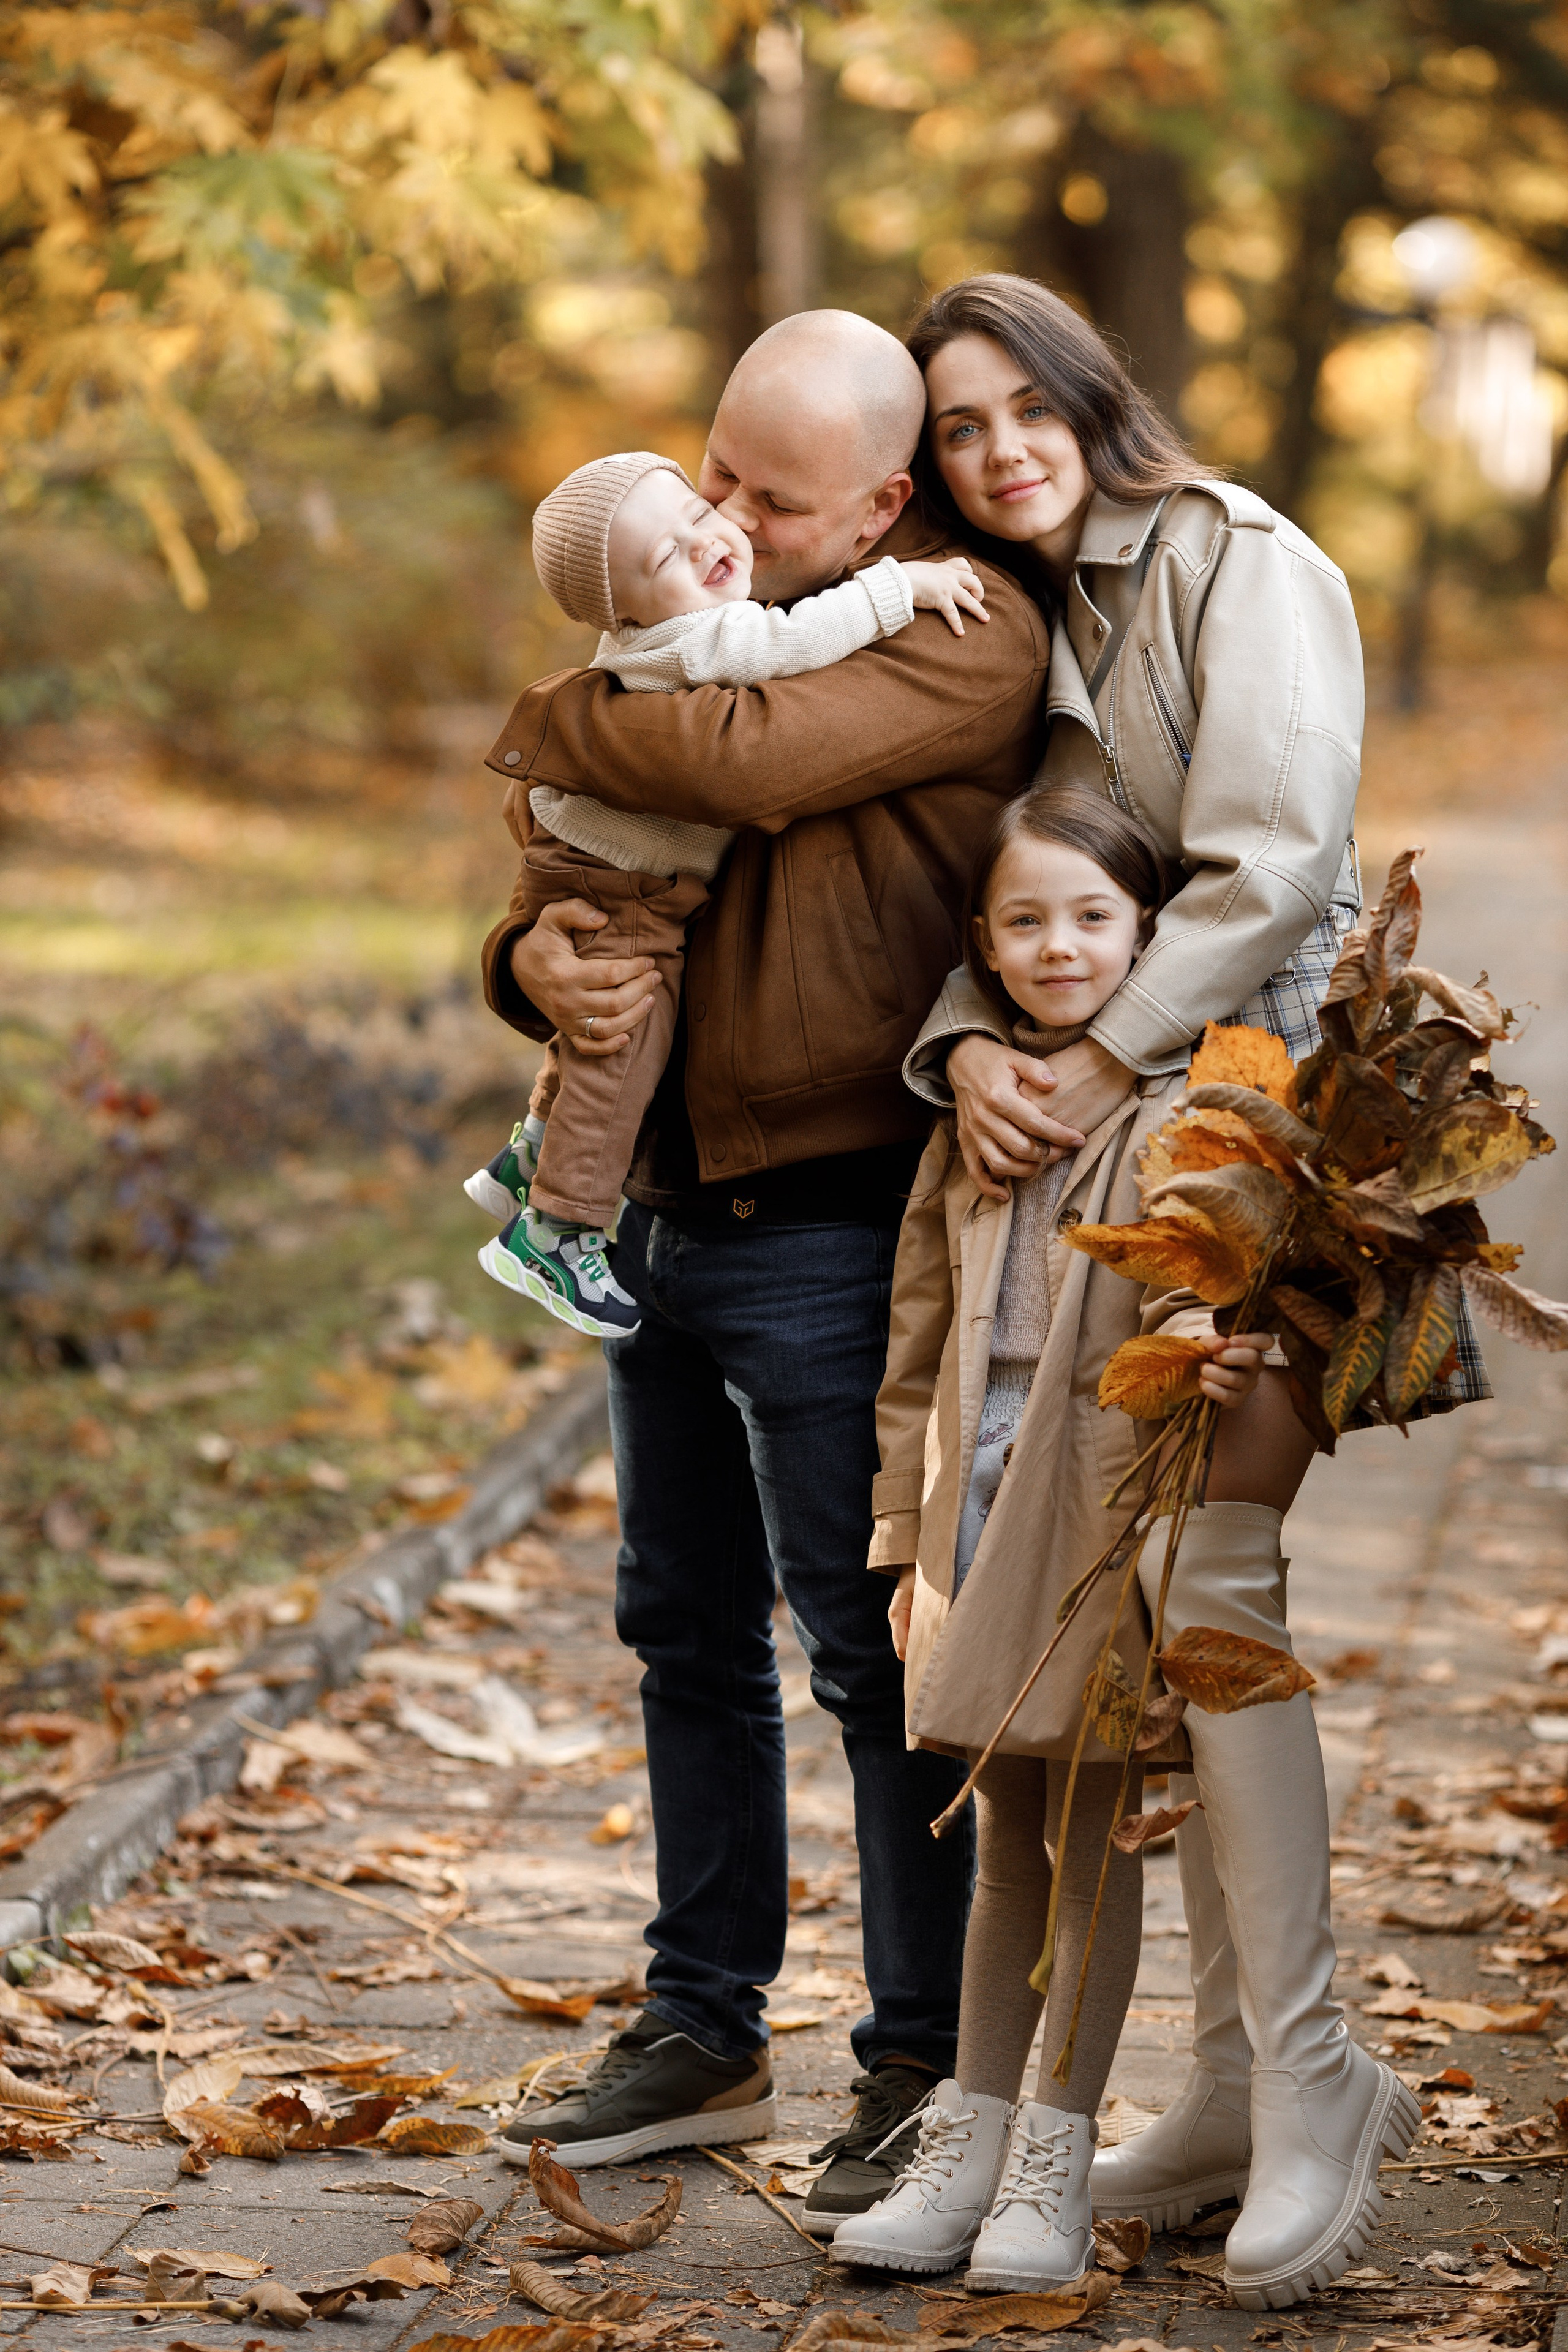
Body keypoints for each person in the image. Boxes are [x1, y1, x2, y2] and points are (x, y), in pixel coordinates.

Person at [892, 273, 1452, 2309]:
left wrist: (1098, 1055)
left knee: (1210, 1581)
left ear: (1082, 391)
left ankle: (1315, 2085)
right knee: (1162, 1592)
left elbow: (1276, 863)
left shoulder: (1240, 560)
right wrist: (975, 1039)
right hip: (1144, 1116)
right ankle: (1224, 2089)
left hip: (1269, 1121)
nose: (992, 450)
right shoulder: (1069, 616)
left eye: (1010, 406)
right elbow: (1052, 866)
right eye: (952, 433)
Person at [478, 308, 1052, 2228]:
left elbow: (737, 756)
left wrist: (541, 711)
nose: (719, 512)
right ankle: (703, 2020)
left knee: (874, 1657)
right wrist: (524, 961)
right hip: (660, 1209)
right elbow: (585, 857)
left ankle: (922, 2063)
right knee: (680, 1635)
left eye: (771, 496)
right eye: (710, 469)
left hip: (835, 1228)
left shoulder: (956, 633)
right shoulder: (693, 611)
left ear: (885, 503)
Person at [828, 786, 1300, 2288]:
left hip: (1098, 1487)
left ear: (1145, 935)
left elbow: (1188, 1274)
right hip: (974, 1492)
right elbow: (914, 1343)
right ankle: (965, 2146)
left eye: (1091, 918)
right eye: (1024, 921)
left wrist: (1203, 1346)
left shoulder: (1186, 1109)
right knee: (1000, 1836)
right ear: (983, 941)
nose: (1057, 948)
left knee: (1089, 1834)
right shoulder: (973, 1119)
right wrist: (904, 1546)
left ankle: (1051, 2158)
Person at [465, 448, 987, 1340]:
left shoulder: (648, 641)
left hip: (593, 866)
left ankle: (533, 1156)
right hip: (623, 890)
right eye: (669, 553)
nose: (720, 533)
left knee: (604, 1033)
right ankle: (559, 1229)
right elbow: (784, 649)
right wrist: (899, 590)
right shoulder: (702, 639)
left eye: (696, 515)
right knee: (626, 1040)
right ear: (626, 609)